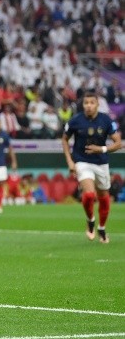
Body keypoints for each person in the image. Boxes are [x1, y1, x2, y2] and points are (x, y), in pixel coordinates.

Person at [62, 91, 122, 243]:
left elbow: (118, 143)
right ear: (83, 105)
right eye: (86, 103)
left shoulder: (106, 120)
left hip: (101, 162)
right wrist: (70, 162)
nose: (88, 106)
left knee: (103, 197)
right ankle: (90, 220)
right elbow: (64, 139)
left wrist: (101, 149)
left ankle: (101, 228)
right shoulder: (75, 120)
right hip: (82, 161)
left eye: (92, 103)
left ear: (97, 104)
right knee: (89, 195)